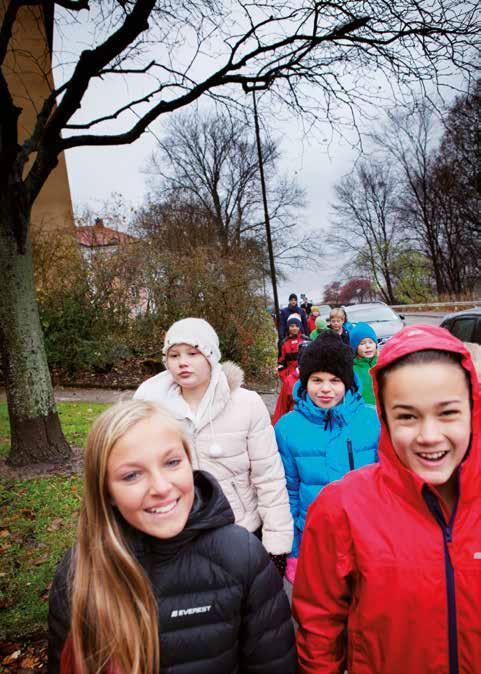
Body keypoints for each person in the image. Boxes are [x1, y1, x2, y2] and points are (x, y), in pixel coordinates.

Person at [48, 401, 297, 674]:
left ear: (191, 463)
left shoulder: (242, 555)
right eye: (131, 475)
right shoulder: (81, 571)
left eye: (172, 462)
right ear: (106, 492)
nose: (161, 487)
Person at [293, 324, 481, 674]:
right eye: (407, 416)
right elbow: (319, 630)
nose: (429, 435)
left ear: (473, 409)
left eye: (448, 412)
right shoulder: (342, 508)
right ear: (385, 419)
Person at [133, 318, 293, 573]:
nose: (182, 362)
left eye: (192, 353)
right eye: (174, 355)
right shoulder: (151, 409)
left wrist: (276, 544)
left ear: (210, 356)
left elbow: (269, 476)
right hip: (179, 537)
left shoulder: (247, 405)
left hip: (240, 531)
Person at [275, 331, 380, 583]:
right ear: (305, 381)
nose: (325, 389)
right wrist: (294, 548)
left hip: (366, 537)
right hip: (314, 538)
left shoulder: (372, 419)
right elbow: (288, 490)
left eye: (334, 380)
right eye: (317, 380)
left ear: (347, 382)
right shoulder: (287, 427)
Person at [350, 321, 378, 405]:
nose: (368, 346)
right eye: (362, 343)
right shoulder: (352, 370)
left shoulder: (382, 363)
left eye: (371, 342)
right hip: (365, 413)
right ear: (355, 347)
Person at [278, 314, 310, 383]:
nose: (294, 328)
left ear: (300, 327)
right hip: (290, 376)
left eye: (297, 326)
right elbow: (281, 363)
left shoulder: (307, 340)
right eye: (292, 326)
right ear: (288, 327)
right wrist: (285, 378)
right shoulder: (284, 343)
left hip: (305, 374)